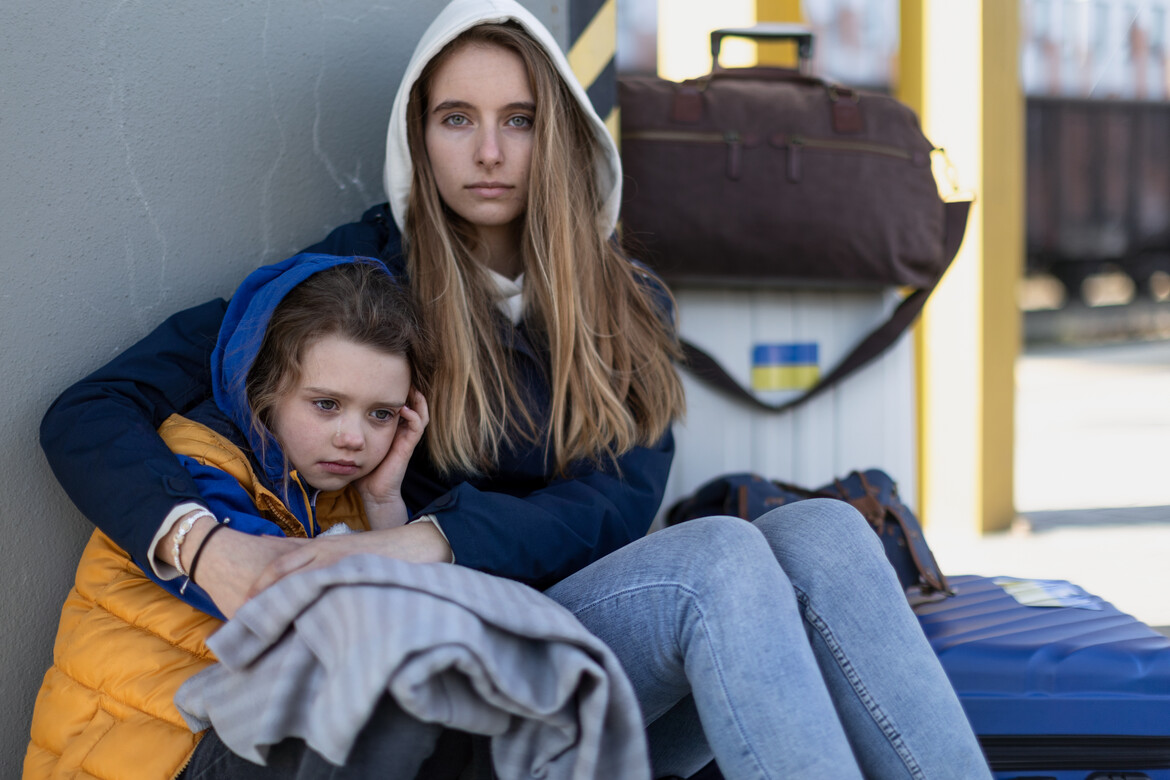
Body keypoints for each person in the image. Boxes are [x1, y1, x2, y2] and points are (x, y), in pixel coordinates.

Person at [33, 0, 993, 777]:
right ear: (422, 136)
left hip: (576, 633)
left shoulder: (627, 299)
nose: (489, 153)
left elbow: (619, 505)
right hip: (460, 680)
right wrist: (208, 553)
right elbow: (86, 412)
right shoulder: (359, 282)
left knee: (824, 528)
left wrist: (428, 538)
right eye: (459, 120)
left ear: (559, 136)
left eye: (519, 121)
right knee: (721, 561)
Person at [25, 255, 432, 778]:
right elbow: (321, 619)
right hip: (137, 756)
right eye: (327, 404)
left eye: (381, 414)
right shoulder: (197, 468)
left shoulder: (339, 487)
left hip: (213, 736)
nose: (354, 437)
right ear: (263, 390)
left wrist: (382, 502)